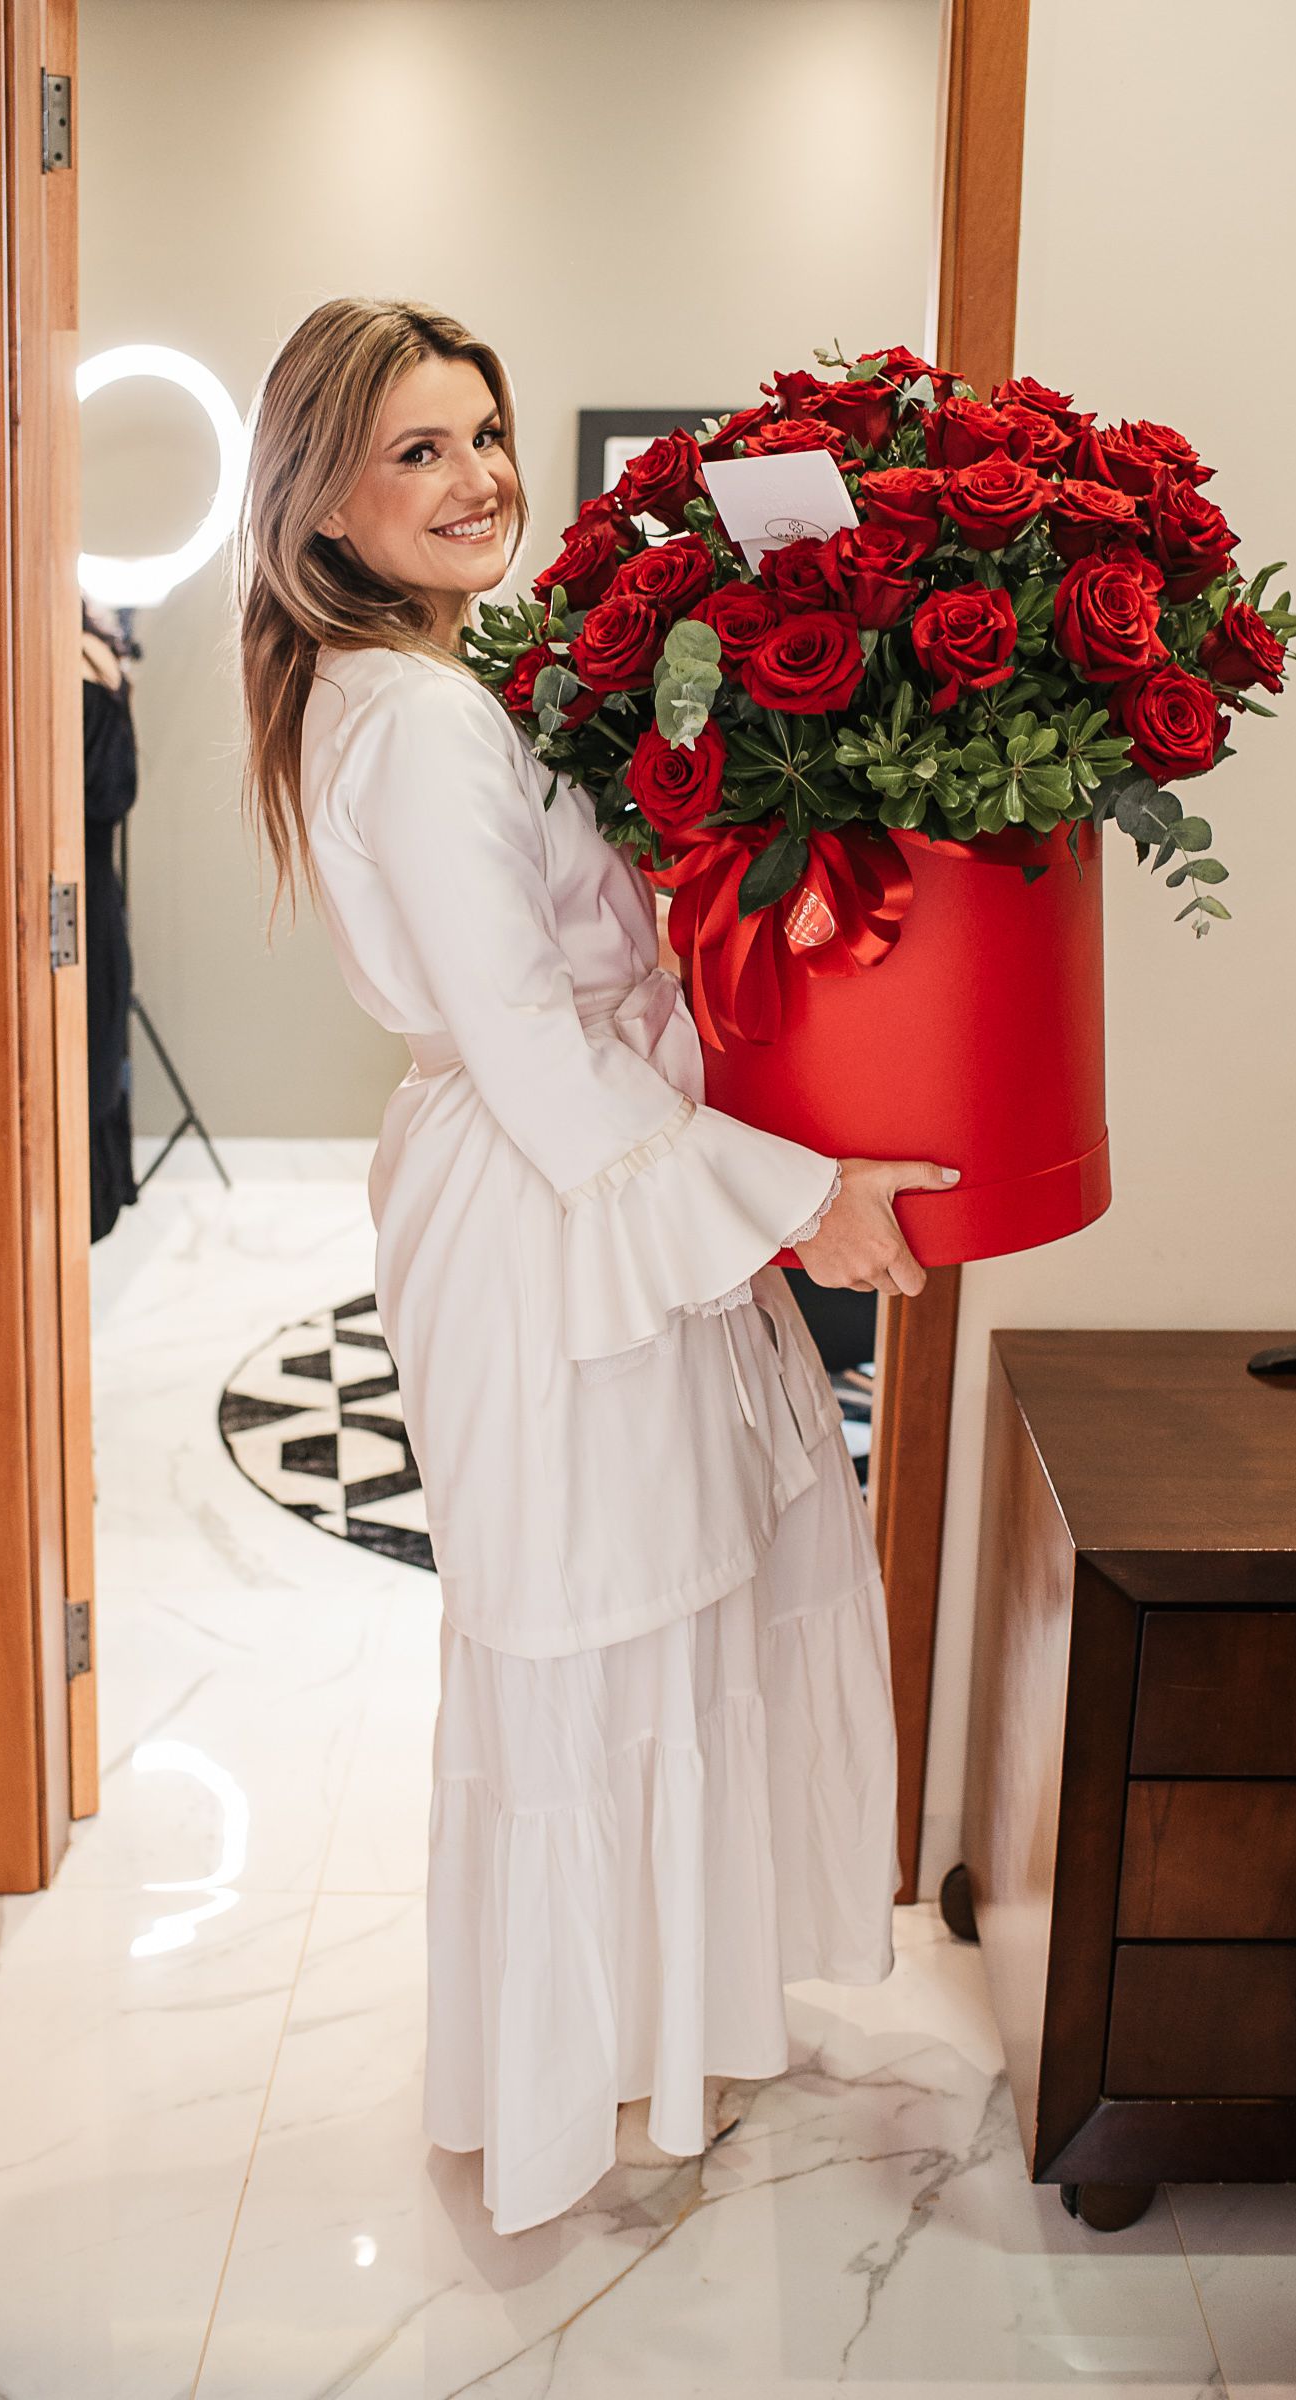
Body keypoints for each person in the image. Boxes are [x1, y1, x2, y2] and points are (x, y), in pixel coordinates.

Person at [236, 296, 958, 2237]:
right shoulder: (413, 718)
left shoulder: (441, 683)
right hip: (558, 1204)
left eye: (482, 432)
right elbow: (540, 1054)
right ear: (322, 502)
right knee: (598, 1623)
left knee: (675, 1603)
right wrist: (798, 1202)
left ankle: (664, 2027)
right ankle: (573, 2084)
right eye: (415, 450)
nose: (472, 476)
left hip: (603, 1183)